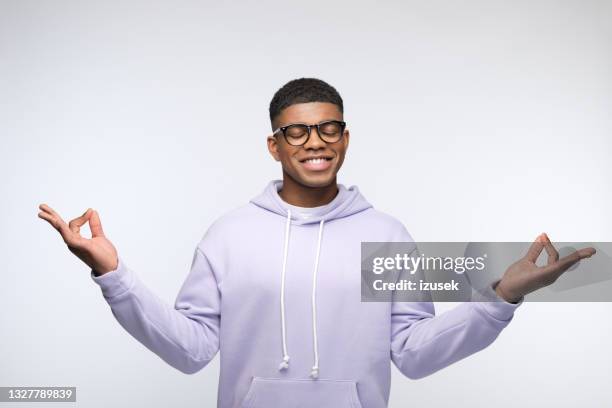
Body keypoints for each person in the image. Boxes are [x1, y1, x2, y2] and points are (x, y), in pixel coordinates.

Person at [38, 78, 595, 408]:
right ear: (274, 146)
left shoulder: (386, 235)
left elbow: (414, 354)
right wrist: (114, 276)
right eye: (296, 131)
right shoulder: (229, 234)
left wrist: (500, 298)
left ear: (345, 138)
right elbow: (191, 351)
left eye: (329, 128)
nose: (315, 143)